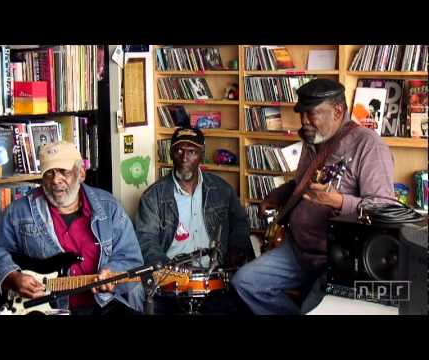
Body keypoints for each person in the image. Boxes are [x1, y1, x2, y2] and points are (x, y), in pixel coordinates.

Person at [231, 78, 395, 315]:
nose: (304, 122)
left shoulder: (369, 146)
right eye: (301, 114)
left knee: (313, 310)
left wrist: (339, 202)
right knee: (245, 283)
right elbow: (302, 184)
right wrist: (280, 193)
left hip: (336, 259)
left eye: (312, 114)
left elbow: (384, 209)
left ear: (338, 111)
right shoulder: (312, 141)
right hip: (297, 250)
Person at [0, 141, 144, 315]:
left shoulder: (109, 207)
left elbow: (131, 259)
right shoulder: (20, 211)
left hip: (102, 305)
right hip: (45, 308)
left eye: (63, 172)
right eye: (49, 173)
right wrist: (12, 277)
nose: (55, 180)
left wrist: (113, 273)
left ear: (81, 173)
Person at [134, 126, 253, 314]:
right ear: (171, 153)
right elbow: (145, 239)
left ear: (201, 155)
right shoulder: (153, 196)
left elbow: (240, 224)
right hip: (171, 283)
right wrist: (168, 269)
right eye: (179, 150)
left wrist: (237, 248)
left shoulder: (222, 190)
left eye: (192, 151)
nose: (185, 157)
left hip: (215, 277)